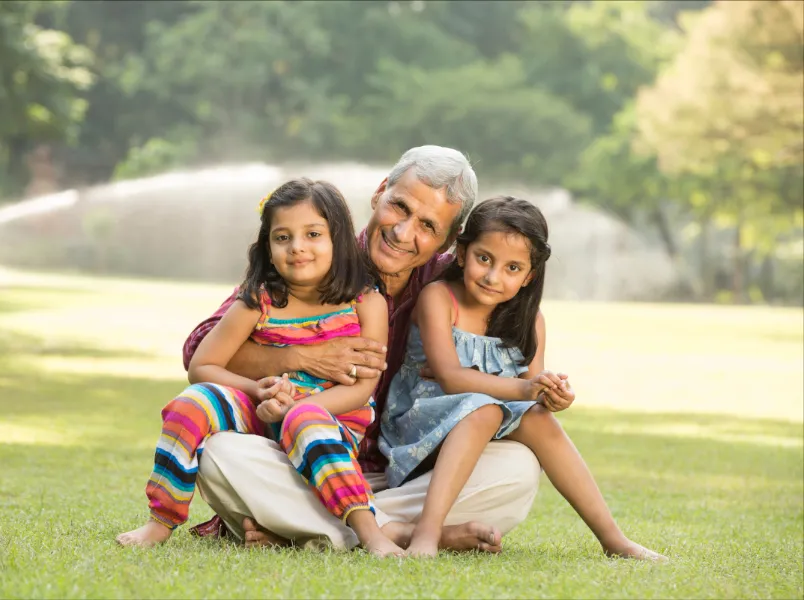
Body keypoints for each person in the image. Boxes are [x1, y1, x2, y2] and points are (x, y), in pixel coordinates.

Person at [183, 146, 542, 552]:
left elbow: (514, 354)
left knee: (518, 469)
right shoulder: (315, 253)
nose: (404, 233)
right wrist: (299, 357)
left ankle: (314, 528)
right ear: (379, 193)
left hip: (403, 476)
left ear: (449, 240)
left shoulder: (455, 289)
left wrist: (462, 374)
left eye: (427, 225)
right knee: (219, 453)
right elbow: (199, 347)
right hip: (306, 460)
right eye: (400, 207)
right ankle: (400, 532)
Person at [117, 178, 405, 556]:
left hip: (328, 421)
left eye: (313, 234)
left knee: (306, 422)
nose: (297, 247)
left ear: (339, 239)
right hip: (264, 410)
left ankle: (371, 534)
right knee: (192, 402)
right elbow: (203, 365)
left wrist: (299, 408)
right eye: (282, 237)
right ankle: (161, 521)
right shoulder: (259, 301)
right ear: (267, 248)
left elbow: (361, 390)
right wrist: (257, 391)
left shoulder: (366, 303)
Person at [379, 196, 666, 560]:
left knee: (538, 419)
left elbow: (532, 393)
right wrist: (525, 388)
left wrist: (552, 394)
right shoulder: (439, 298)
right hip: (418, 427)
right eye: (484, 258)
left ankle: (614, 540)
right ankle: (426, 535)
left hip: (477, 426)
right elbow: (450, 377)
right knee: (486, 410)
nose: (493, 276)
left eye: (512, 268)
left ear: (529, 275)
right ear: (463, 252)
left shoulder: (529, 321)